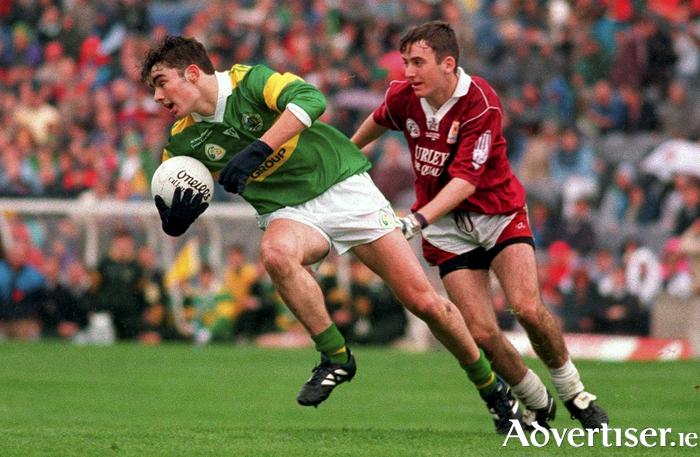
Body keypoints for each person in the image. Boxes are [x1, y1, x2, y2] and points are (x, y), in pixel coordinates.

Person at [141, 34, 521, 430]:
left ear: (191, 73)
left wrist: (259, 150)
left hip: (341, 185)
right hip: (288, 211)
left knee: (424, 303)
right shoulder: (182, 140)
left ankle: (492, 388)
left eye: (161, 82)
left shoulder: (249, 81)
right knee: (275, 254)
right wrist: (176, 219)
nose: (156, 97)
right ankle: (336, 356)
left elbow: (312, 101)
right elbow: (174, 190)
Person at [350, 21, 608, 430]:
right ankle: (536, 400)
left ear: (447, 63)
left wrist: (418, 219)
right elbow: (380, 120)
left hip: (497, 214)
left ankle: (574, 392)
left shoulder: (480, 101)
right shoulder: (404, 96)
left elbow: (467, 180)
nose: (409, 71)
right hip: (448, 227)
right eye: (405, 62)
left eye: (418, 62)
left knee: (526, 308)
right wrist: (347, 154)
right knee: (482, 333)